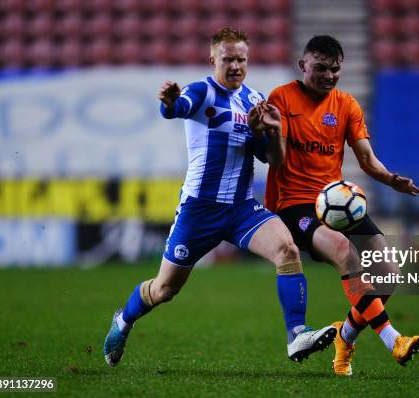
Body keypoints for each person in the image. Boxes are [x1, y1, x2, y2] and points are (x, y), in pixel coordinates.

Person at [103, 28, 336, 367]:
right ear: (213, 59)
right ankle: (123, 320)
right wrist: (169, 101)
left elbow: (273, 159)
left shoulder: (256, 101)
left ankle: (296, 333)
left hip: (242, 208)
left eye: (242, 59)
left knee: (287, 250)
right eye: (228, 59)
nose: (236, 65)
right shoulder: (202, 91)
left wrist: (272, 131)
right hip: (200, 210)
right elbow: (177, 108)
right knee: (165, 290)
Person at [259, 35, 419, 376]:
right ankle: (393, 339)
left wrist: (392, 179)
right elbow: (279, 157)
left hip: (337, 203)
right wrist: (271, 133)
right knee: (344, 252)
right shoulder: (282, 98)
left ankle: (345, 338)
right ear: (302, 65)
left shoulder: (347, 105)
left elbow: (366, 159)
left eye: (335, 69)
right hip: (294, 205)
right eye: (320, 68)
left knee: (389, 273)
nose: (328, 75)